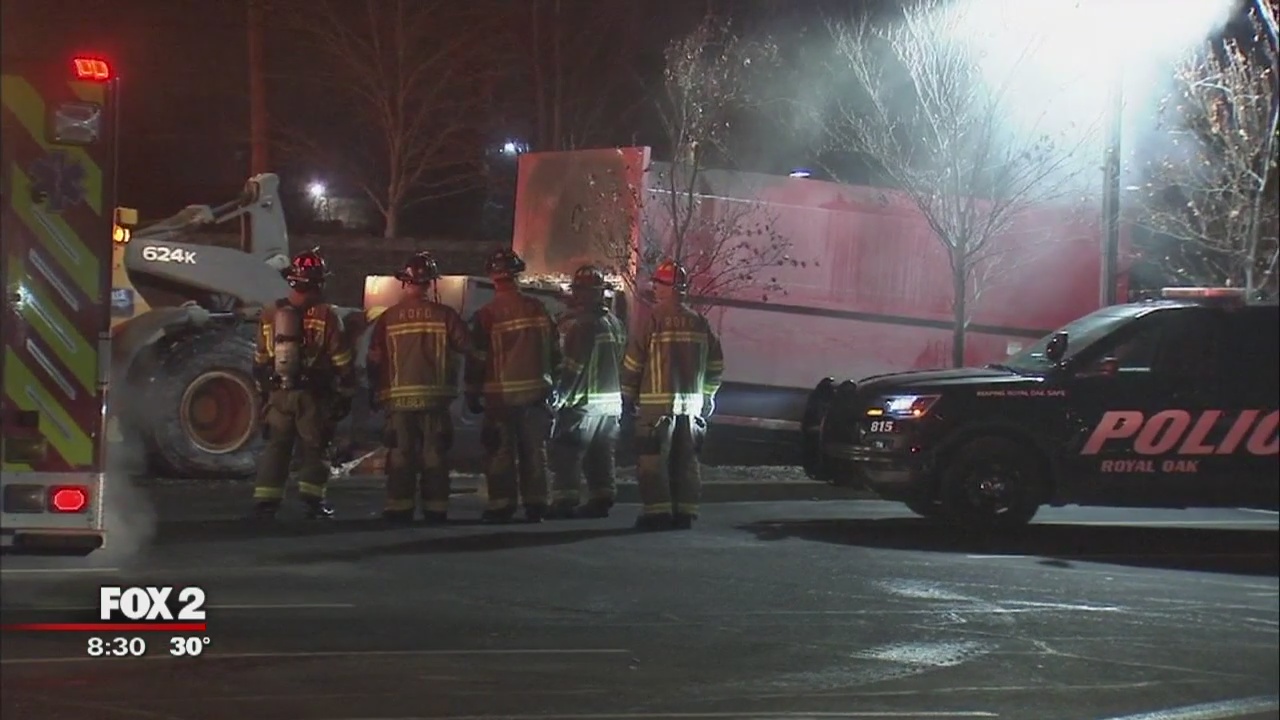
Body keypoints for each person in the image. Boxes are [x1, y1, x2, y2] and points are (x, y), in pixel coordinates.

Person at [366, 251, 477, 524]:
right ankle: (436, 509)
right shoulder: (446, 315)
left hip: (398, 401)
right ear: (431, 283)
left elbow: (375, 359)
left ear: (405, 282)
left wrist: (374, 390)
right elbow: (469, 347)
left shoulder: (388, 318)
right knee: (434, 455)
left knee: (401, 454)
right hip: (435, 401)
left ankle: (399, 508)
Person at [250, 249, 356, 519]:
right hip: (312, 395)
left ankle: (266, 503)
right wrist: (346, 391)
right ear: (319, 282)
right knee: (314, 447)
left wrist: (264, 392)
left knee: (277, 446)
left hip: (279, 394)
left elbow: (261, 357)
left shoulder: (270, 312)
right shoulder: (327, 315)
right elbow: (341, 358)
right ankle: (313, 502)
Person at [620, 259, 724, 531]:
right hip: (691, 408)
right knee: (686, 459)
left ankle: (657, 513)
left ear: (668, 287)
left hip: (657, 407)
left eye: (658, 283)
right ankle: (685, 513)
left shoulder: (653, 320)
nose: (654, 287)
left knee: (652, 459)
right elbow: (716, 365)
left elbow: (634, 362)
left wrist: (628, 395)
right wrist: (708, 396)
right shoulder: (700, 322)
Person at [464, 248, 562, 523]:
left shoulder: (486, 315)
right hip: (536, 395)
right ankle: (537, 504)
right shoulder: (539, 308)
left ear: (492, 277)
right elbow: (557, 352)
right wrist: (552, 382)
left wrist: (472, 393)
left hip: (501, 398)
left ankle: (502, 505)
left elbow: (477, 359)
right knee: (534, 451)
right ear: (519, 274)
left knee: (500, 452)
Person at [547, 265, 627, 519]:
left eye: (580, 291)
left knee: (568, 451)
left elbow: (573, 366)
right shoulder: (615, 323)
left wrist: (560, 397)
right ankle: (602, 497)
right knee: (601, 453)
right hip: (611, 402)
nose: (578, 296)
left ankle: (565, 499)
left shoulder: (583, 325)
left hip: (585, 403)